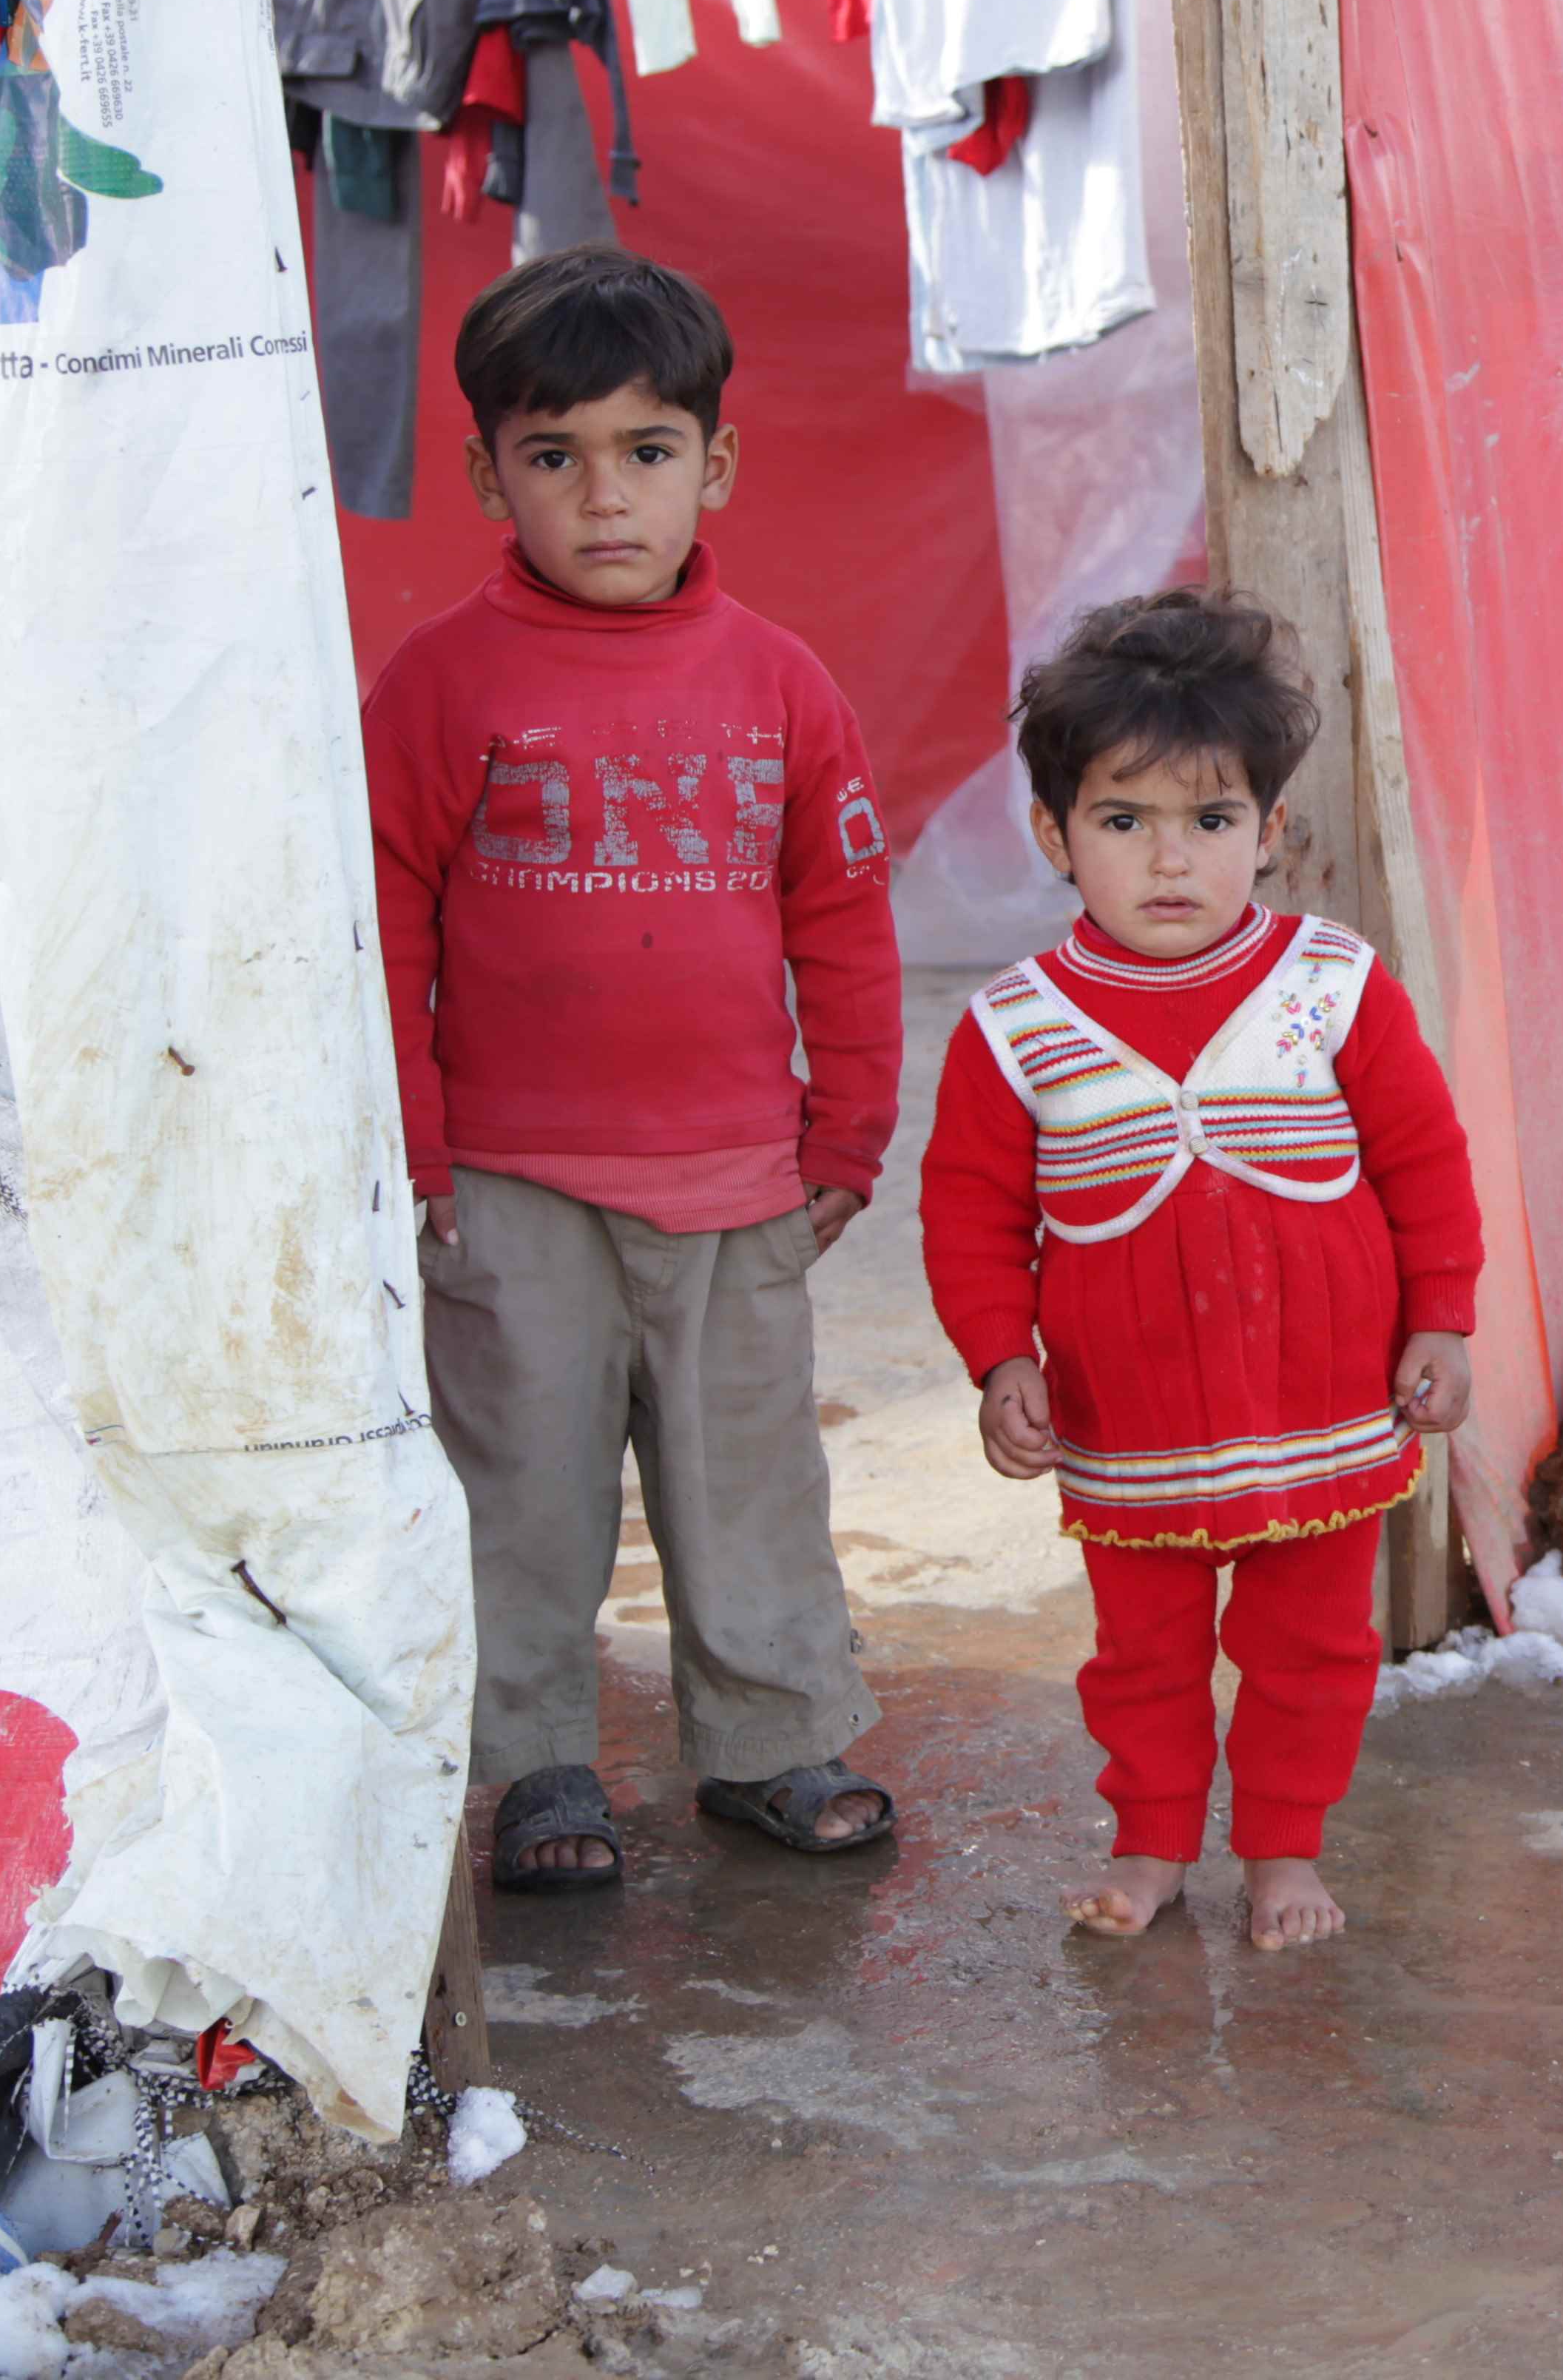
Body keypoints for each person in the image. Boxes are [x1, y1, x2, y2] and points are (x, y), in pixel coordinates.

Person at [362, 243, 905, 1893]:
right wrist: (419, 1150)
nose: (605, 498)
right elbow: (380, 924)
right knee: (522, 1492)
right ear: (487, 475)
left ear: (714, 465)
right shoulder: (440, 684)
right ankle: (536, 1769)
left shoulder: (782, 684)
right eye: (555, 456)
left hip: (738, 1181)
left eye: (647, 452)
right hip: (515, 1188)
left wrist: (849, 1130)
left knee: (746, 1479)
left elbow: (844, 919)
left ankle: (767, 1742)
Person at [919, 592, 1482, 1950]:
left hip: (1323, 1406)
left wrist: (1444, 1323)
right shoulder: (1015, 1028)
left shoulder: (1334, 986)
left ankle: (1285, 1848)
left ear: (1270, 834)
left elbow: (1424, 1163)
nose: (1171, 860)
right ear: (1056, 837)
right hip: (1135, 1426)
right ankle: (1154, 1840)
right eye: (1124, 822)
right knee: (1145, 1655)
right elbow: (971, 1214)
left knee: (1313, 1651)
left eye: (1211, 821)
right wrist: (1003, 1359)